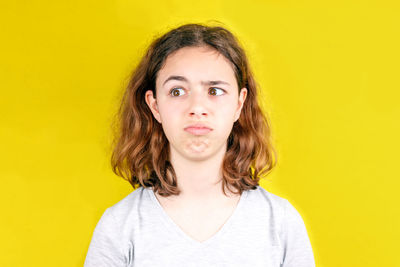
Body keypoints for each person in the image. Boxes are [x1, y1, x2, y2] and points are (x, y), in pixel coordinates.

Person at [84, 23, 315, 267]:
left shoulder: (280, 222)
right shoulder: (119, 226)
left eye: (215, 91)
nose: (196, 107)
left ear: (239, 103)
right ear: (154, 105)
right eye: (177, 91)